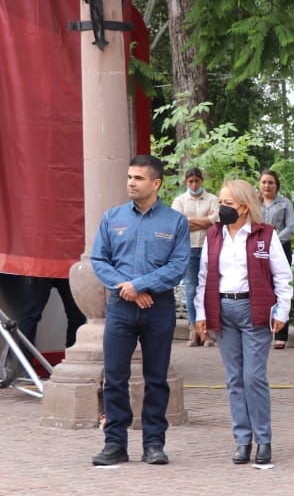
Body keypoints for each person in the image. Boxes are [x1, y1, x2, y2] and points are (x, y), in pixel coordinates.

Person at [89, 154, 190, 466]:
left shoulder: (175, 222)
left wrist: (142, 285)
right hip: (121, 307)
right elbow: (99, 260)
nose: (131, 182)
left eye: (139, 178)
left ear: (156, 183)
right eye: (130, 177)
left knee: (156, 379)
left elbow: (178, 266)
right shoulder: (112, 217)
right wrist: (130, 290)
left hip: (158, 309)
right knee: (115, 377)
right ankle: (115, 444)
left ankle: (154, 444)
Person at [194, 179, 293, 465]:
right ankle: (242, 440)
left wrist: (282, 314)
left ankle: (263, 439)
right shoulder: (214, 235)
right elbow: (203, 278)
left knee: (254, 377)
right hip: (223, 309)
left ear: (245, 208)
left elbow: (283, 278)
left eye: (228, 203)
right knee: (234, 378)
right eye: (220, 203)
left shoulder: (265, 235)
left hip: (254, 310)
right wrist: (201, 314)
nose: (221, 208)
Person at [171, 166, 219, 346]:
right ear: (186, 182)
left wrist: (191, 221)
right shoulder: (180, 200)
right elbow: (179, 224)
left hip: (209, 247)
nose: (193, 184)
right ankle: (195, 329)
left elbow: (216, 223)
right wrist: (205, 222)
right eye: (190, 181)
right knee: (191, 288)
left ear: (202, 181)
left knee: (208, 288)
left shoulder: (213, 199)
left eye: (196, 181)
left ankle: (206, 329)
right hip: (188, 247)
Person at [258, 170, 294, 350]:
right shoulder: (253, 203)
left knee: (280, 288)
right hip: (258, 250)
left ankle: (281, 334)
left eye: (270, 182)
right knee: (263, 288)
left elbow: (290, 227)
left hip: (280, 248)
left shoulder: (285, 203)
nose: (267, 186)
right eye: (264, 182)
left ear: (276, 185)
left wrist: (273, 241)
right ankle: (264, 331)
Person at [18, 274, 85, 351]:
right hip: (64, 266)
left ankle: (25, 359)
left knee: (31, 316)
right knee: (77, 315)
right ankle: (74, 356)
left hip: (42, 268)